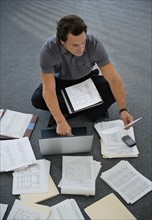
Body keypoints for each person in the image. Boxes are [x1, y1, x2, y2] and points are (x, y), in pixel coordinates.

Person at [31, 14, 133, 136]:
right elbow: (49, 90)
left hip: (87, 79)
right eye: (75, 45)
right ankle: (88, 109)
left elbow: (113, 78)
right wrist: (60, 121)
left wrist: (123, 110)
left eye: (83, 42)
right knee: (37, 99)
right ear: (62, 41)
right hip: (60, 82)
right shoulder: (48, 50)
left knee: (113, 90)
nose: (81, 49)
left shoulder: (94, 44)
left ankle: (69, 110)